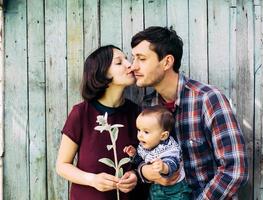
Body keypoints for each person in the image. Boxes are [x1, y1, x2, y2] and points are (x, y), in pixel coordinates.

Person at [130, 26, 249, 199]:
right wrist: (144, 171)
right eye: (133, 58)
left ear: (167, 62)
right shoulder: (148, 107)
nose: (133, 66)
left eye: (141, 59)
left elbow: (235, 169)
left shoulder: (208, 99)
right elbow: (143, 157)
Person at [56, 45, 147, 200]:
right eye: (119, 63)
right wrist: (92, 180)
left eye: (127, 59)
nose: (129, 64)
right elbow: (62, 166)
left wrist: (135, 175)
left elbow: (147, 158)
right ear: (102, 74)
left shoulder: (137, 114)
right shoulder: (81, 113)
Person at [123, 105, 191, 199]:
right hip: (156, 188)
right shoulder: (146, 145)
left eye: (146, 132)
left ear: (163, 136)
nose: (140, 135)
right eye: (139, 130)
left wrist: (164, 167)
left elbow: (174, 163)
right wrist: (134, 155)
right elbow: (143, 160)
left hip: (176, 191)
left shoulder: (169, 148)